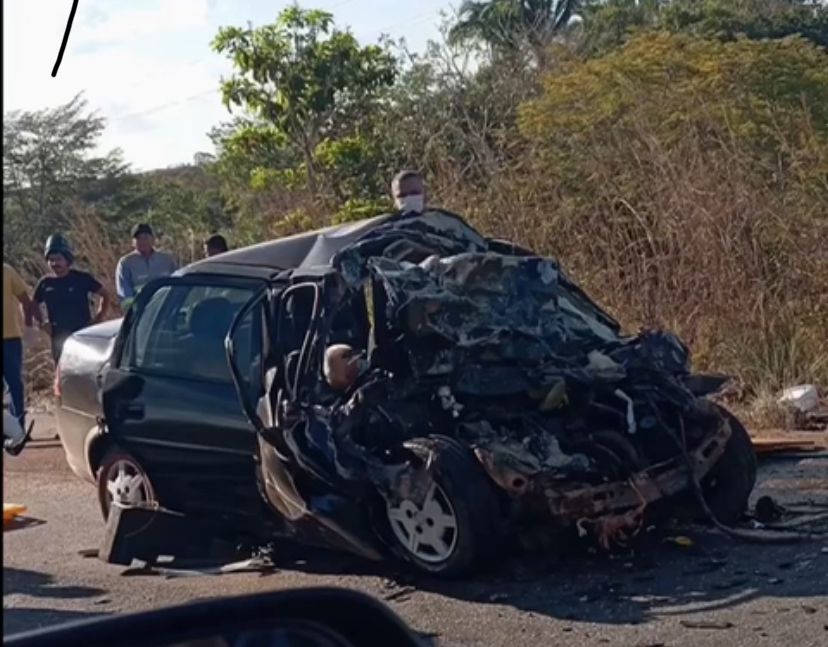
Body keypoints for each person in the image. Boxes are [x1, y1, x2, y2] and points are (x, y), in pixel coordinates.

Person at [32, 234, 112, 364]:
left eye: (58, 259)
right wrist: (42, 323)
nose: (54, 264)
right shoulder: (45, 283)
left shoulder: (81, 278)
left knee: (85, 368)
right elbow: (34, 304)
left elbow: (105, 294)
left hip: (83, 333)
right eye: (51, 260)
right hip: (58, 337)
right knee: (62, 372)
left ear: (67, 259)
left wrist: (99, 317)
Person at [3, 262, 36, 453]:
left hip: (10, 339)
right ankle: (9, 431)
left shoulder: (7, 271)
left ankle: (19, 431)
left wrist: (29, 327)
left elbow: (26, 300)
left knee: (15, 384)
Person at [116, 223, 178, 310]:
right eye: (138, 238)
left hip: (166, 309)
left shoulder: (167, 260)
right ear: (133, 242)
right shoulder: (126, 263)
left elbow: (177, 283)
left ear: (153, 239)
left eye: (146, 237)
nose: (142, 241)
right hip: (141, 311)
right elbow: (125, 295)